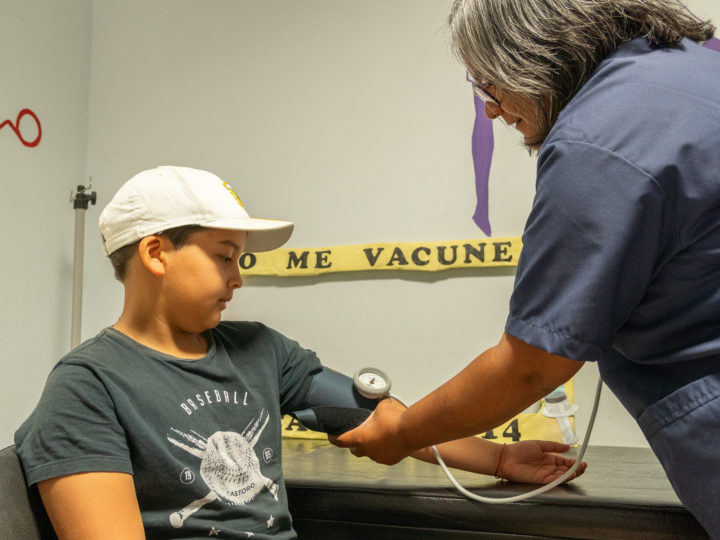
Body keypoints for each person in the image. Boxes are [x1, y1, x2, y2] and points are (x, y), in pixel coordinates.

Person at [15, 165, 585, 540]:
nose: (238, 278)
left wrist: (496, 459)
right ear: (157, 253)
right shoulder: (87, 386)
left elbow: (385, 420)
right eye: (224, 255)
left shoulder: (261, 350)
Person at [333, 0, 720, 537]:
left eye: (486, 84)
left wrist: (403, 434)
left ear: (526, 53)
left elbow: (531, 366)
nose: (489, 110)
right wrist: (493, 458)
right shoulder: (700, 70)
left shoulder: (598, 140)